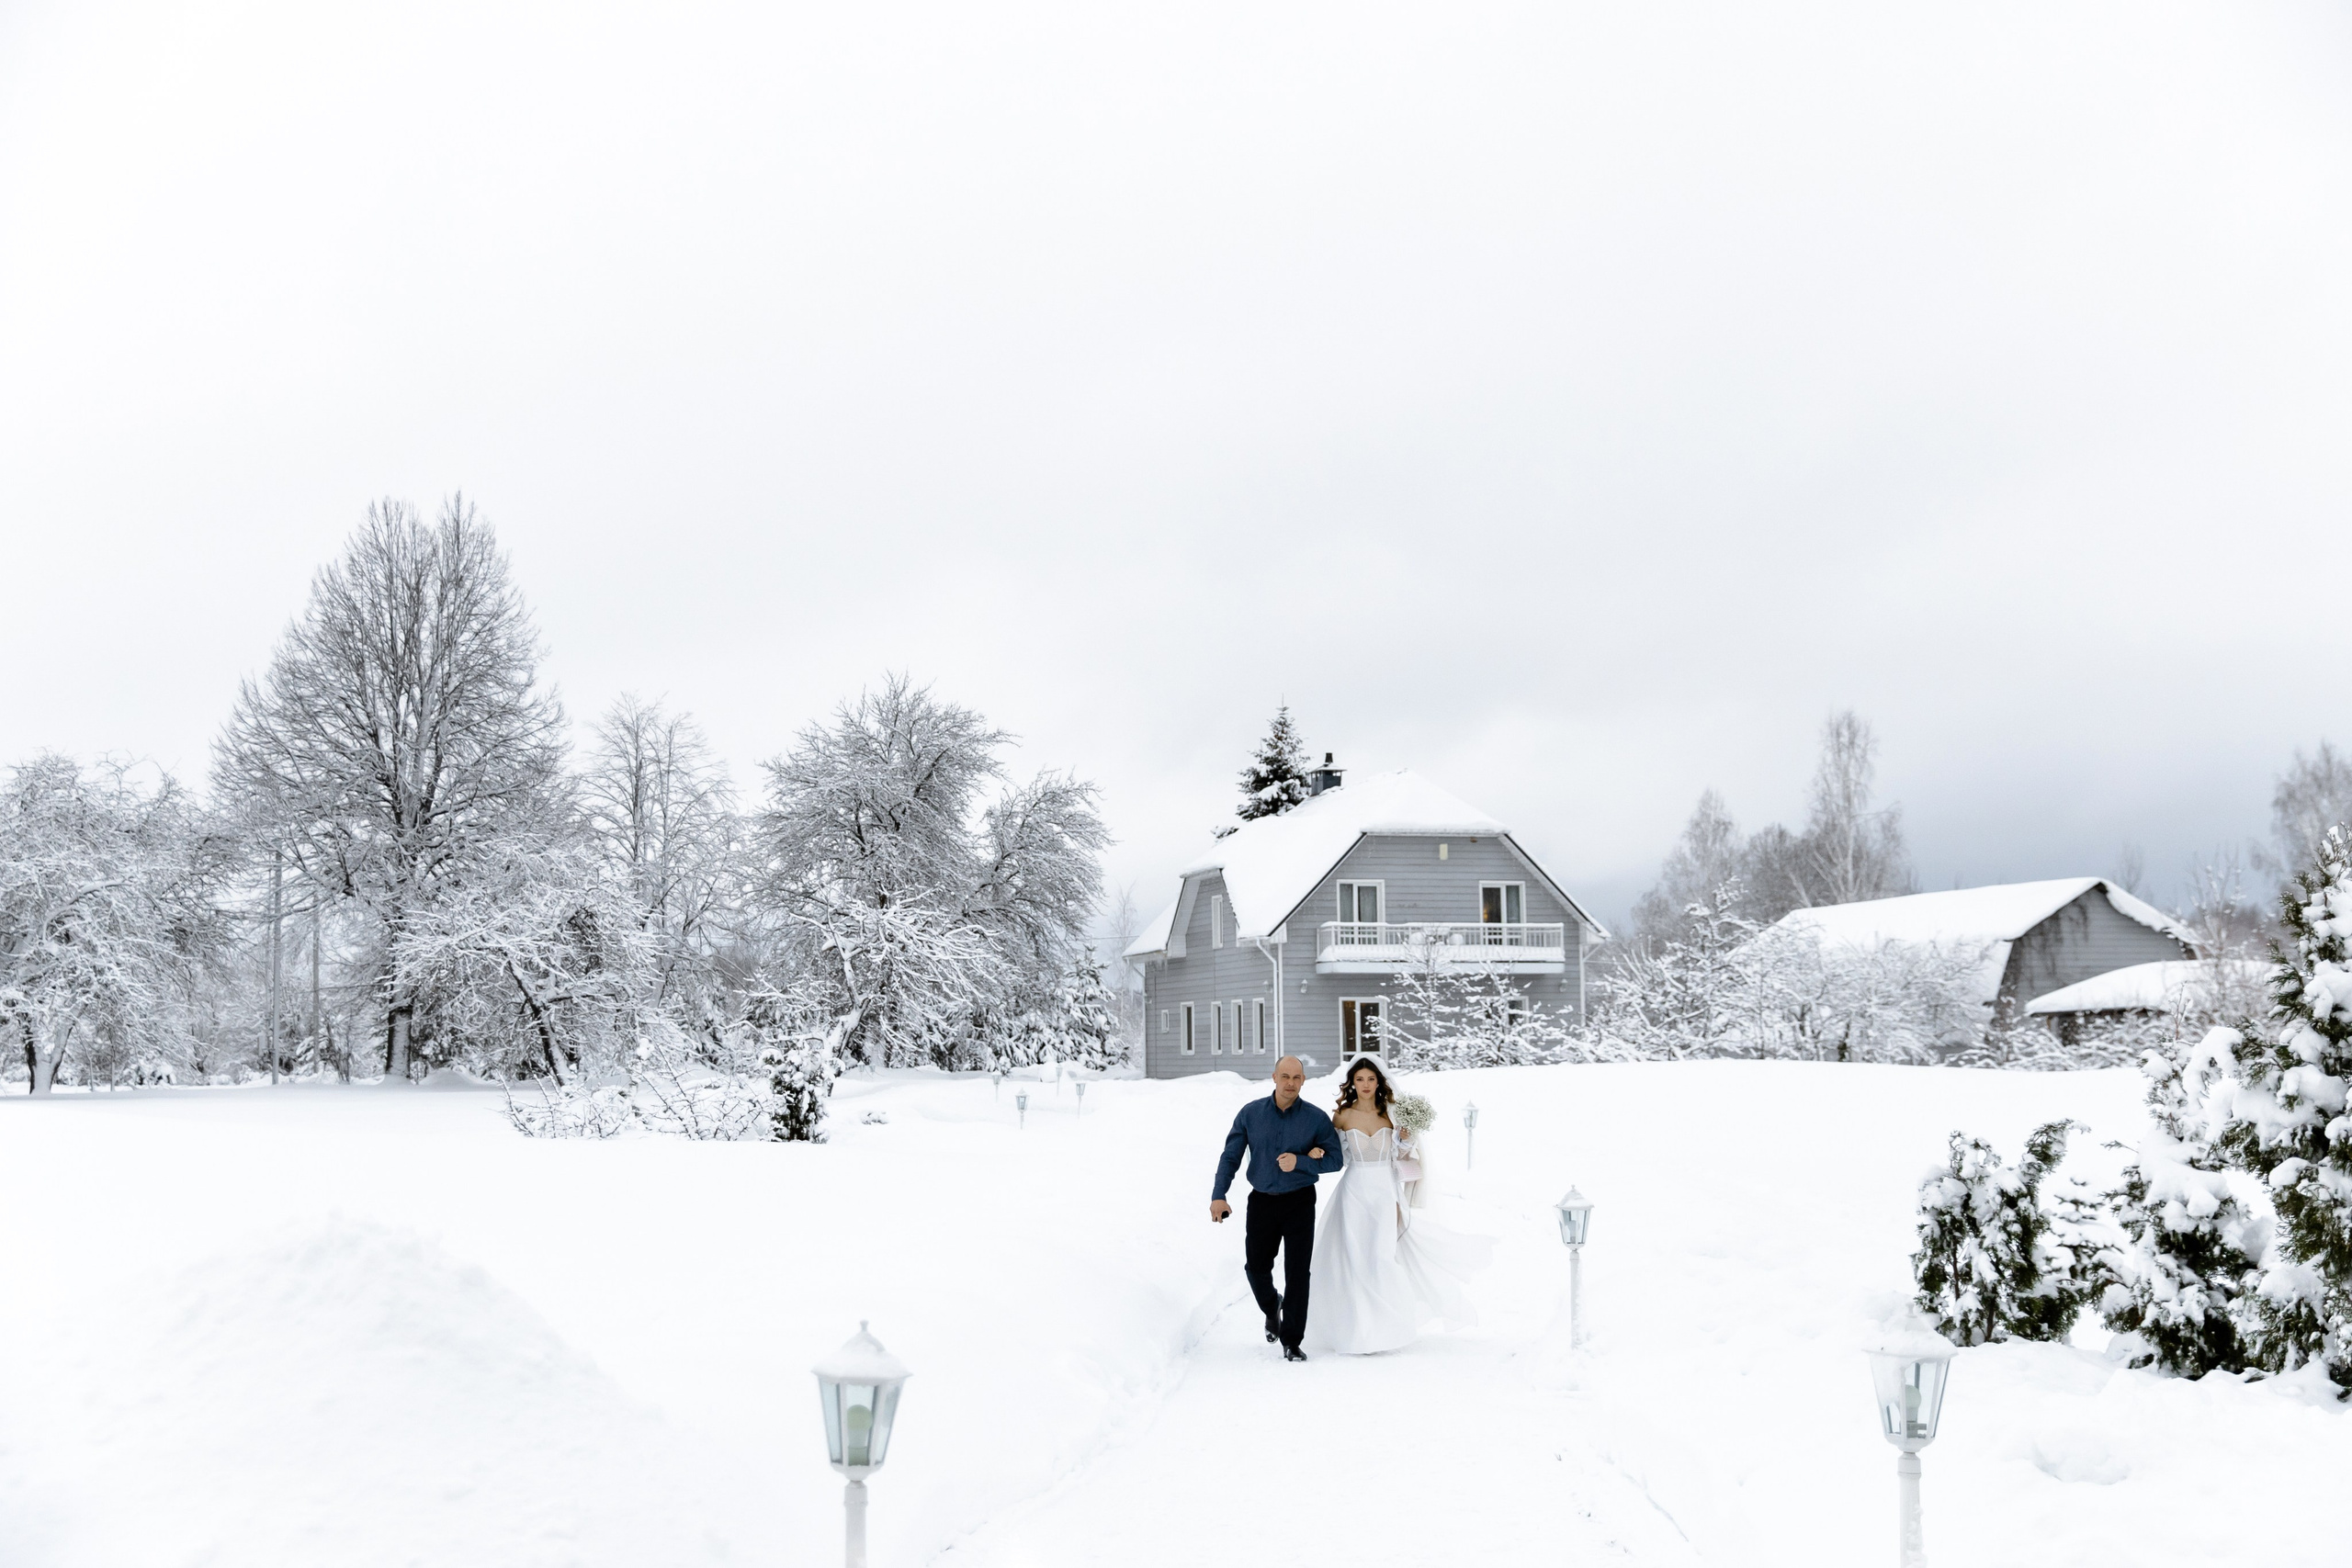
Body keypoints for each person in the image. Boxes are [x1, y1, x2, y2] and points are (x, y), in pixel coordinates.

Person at [1307, 1055, 1490, 1356]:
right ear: (1351, 1083)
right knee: (1354, 1260)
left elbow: (1402, 1156)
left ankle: (1385, 1328)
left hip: (1384, 1191)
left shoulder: (1391, 1114)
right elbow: (1337, 1157)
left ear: (1379, 1082)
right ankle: (1357, 1332)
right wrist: (1317, 1152)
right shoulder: (1341, 1116)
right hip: (1353, 1191)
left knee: (1381, 1257)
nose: (1365, 1085)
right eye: (1359, 1080)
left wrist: (1405, 1139)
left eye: (1371, 1079)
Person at [1210, 1055, 1343, 1361]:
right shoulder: (1251, 1114)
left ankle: (1292, 1340)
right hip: (1262, 1202)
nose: (1290, 1083)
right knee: (1256, 1268)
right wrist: (1219, 1195)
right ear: (1273, 1077)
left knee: (1298, 1272)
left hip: (1299, 1201)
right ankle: (1272, 1307)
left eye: (1296, 1078)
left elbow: (1335, 1160)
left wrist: (1303, 1162)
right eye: (1285, 1076)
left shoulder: (1316, 1118)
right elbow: (1230, 1157)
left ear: (1304, 1081)